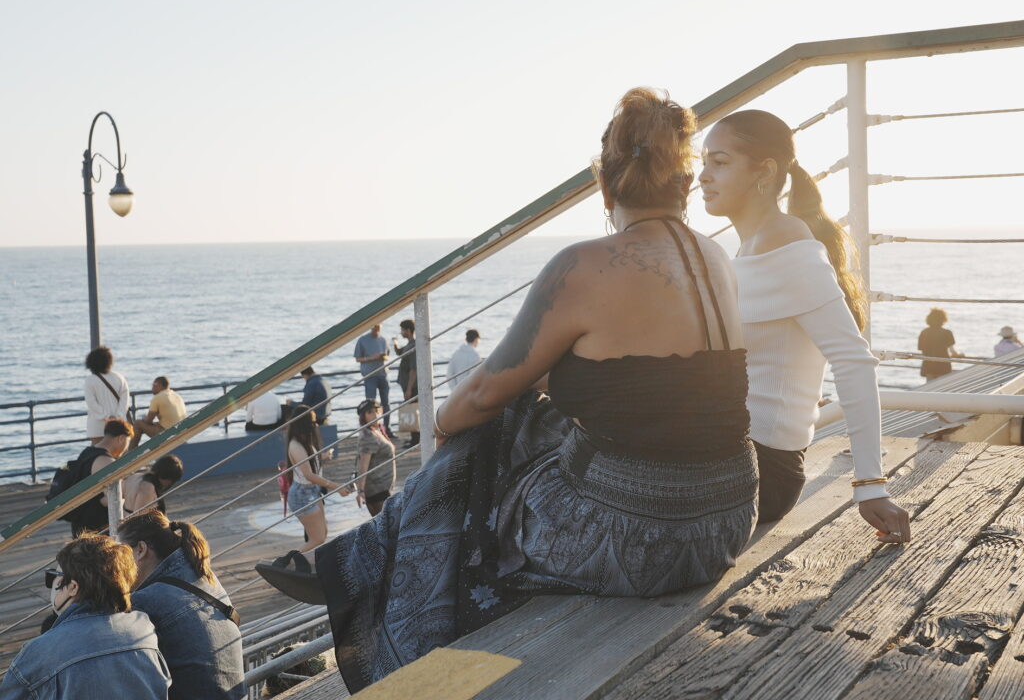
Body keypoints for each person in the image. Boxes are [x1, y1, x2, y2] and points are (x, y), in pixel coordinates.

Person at [261, 88, 761, 691]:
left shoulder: (583, 266)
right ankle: (357, 564)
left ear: (603, 185)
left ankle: (360, 574)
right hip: (725, 522)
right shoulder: (717, 258)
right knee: (518, 411)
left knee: (485, 427)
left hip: (636, 541)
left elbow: (478, 397)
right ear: (684, 185)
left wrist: (444, 425)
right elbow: (644, 382)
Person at [699, 109, 910, 536]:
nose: (702, 176)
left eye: (719, 163)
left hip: (762, 470)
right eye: (703, 163)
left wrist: (870, 484)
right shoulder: (748, 249)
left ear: (765, 171)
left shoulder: (789, 244)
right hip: (729, 449)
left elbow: (853, 360)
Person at [0, 534, 171, 699]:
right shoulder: (143, 628)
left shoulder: (38, 652)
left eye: (56, 578)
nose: (52, 585)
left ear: (73, 587)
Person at [118, 510, 246, 700]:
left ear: (141, 550)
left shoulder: (145, 600)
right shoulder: (202, 575)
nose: (116, 563)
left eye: (120, 553)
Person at [254, 405, 348, 593]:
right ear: (304, 423)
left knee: (320, 536)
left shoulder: (304, 441)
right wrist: (336, 486)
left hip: (312, 492)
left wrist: (323, 457)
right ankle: (285, 565)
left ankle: (305, 567)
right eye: (312, 421)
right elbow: (309, 474)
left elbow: (309, 464)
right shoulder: (295, 445)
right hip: (303, 495)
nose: (315, 424)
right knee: (317, 538)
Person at [67, 418, 134, 537]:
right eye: (127, 444)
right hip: (96, 527)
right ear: (121, 438)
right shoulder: (105, 461)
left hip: (80, 523)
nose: (125, 450)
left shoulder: (87, 452)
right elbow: (111, 500)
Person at [354, 399, 396, 516]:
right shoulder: (368, 436)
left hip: (383, 487)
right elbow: (363, 466)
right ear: (363, 416)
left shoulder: (377, 430)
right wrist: (361, 491)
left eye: (377, 411)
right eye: (370, 412)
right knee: (387, 528)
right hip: (377, 490)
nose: (375, 415)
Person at [84, 346, 130, 444]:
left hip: (98, 427)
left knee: (98, 455)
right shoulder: (119, 378)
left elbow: (91, 403)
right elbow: (125, 401)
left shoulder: (90, 380)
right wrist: (117, 417)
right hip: (119, 426)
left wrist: (106, 417)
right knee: (120, 456)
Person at [354, 324, 392, 433]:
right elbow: (357, 358)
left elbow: (388, 355)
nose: (376, 330)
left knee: (386, 403)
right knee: (370, 404)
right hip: (370, 375)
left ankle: (386, 428)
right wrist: (372, 358)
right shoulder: (363, 340)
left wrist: (383, 357)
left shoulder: (383, 339)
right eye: (375, 328)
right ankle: (371, 429)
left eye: (378, 328)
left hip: (383, 374)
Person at [130, 376, 187, 449]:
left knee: (138, 423)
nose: (152, 388)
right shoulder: (177, 396)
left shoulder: (157, 397)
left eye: (153, 385)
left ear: (159, 385)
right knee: (155, 424)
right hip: (182, 431)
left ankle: (131, 452)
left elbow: (148, 420)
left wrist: (144, 419)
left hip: (168, 433)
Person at [392, 319, 419, 448]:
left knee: (414, 412)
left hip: (412, 386)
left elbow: (414, 369)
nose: (401, 332)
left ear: (408, 330)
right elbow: (399, 352)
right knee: (412, 411)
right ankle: (414, 438)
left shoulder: (414, 346)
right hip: (408, 385)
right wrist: (395, 343)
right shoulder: (409, 345)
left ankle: (416, 440)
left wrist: (409, 388)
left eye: (402, 330)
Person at [918, 308, 960, 381]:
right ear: (943, 319)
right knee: (941, 387)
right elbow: (952, 351)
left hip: (928, 364)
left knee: (929, 387)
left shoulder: (924, 332)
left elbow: (922, 349)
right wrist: (959, 355)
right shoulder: (947, 333)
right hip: (943, 364)